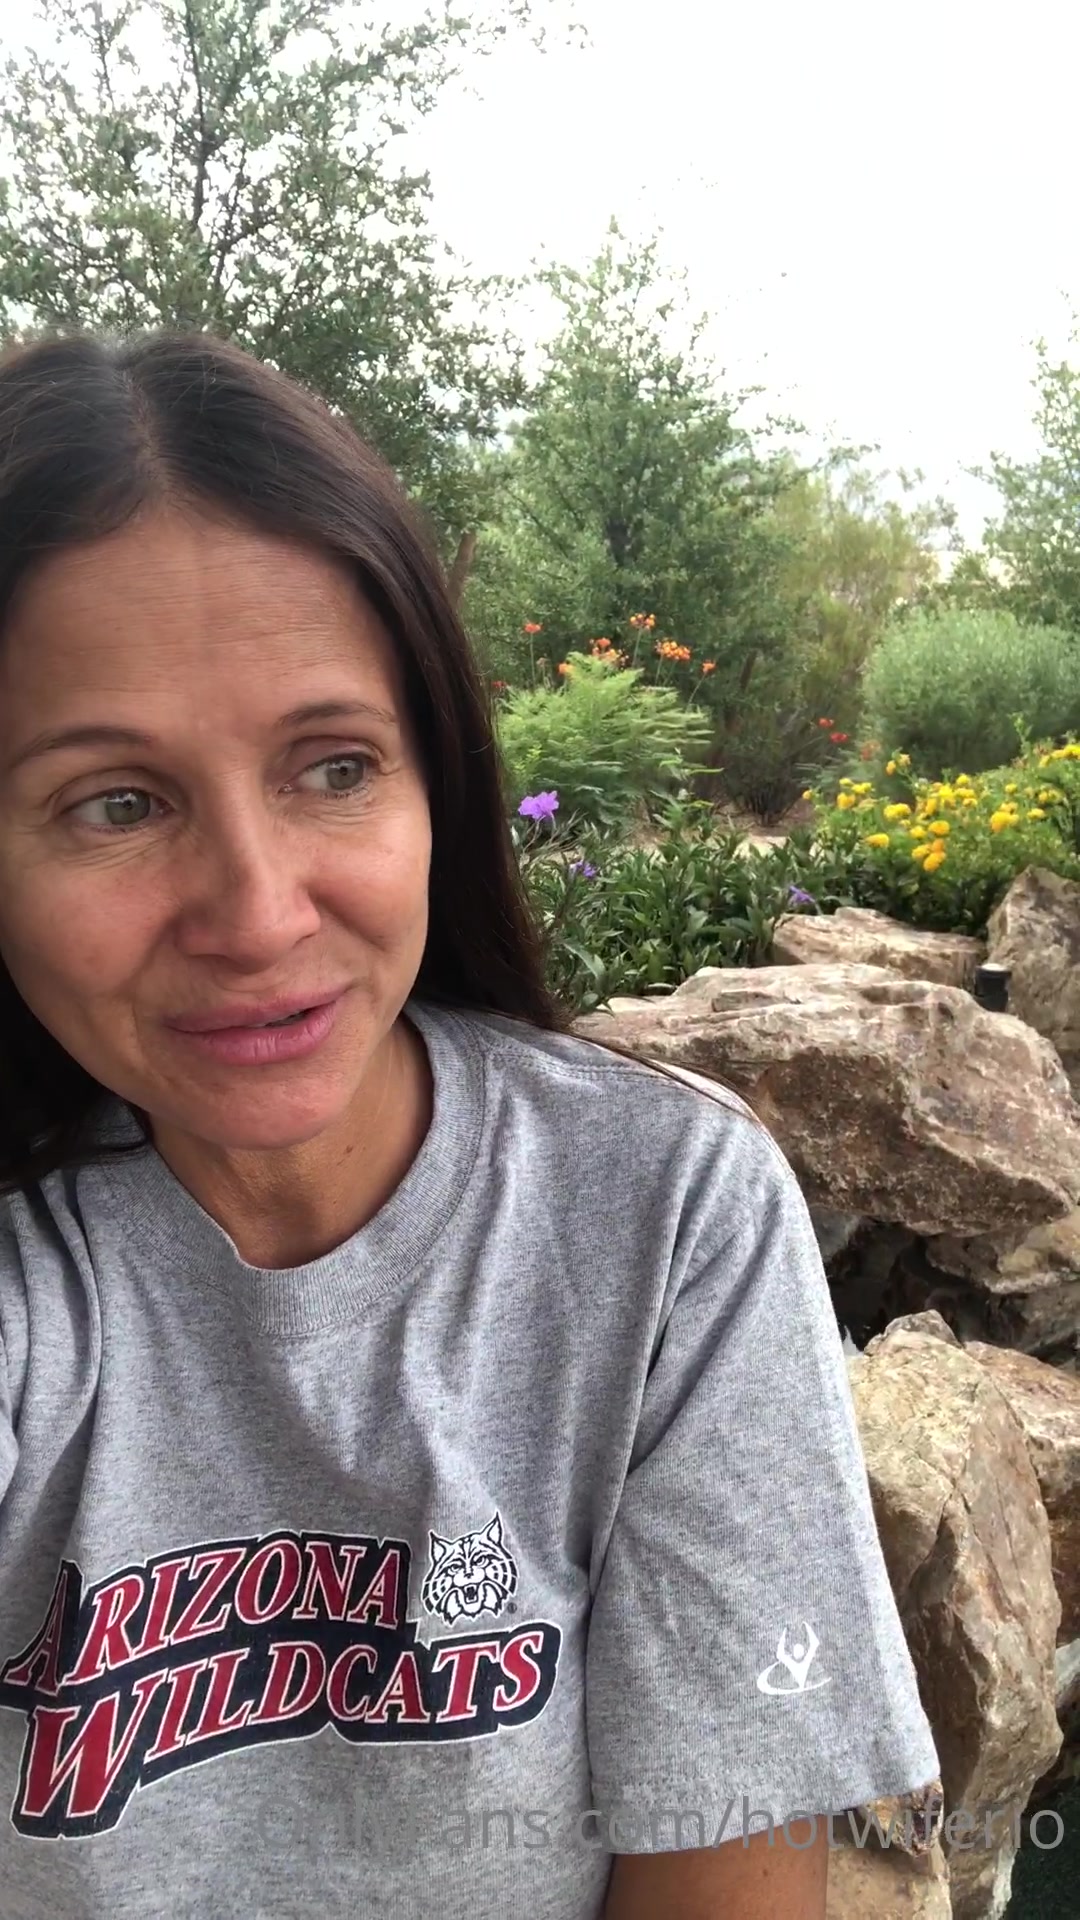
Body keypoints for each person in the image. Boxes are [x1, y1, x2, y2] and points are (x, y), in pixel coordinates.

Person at [0, 331, 939, 1920]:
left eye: (333, 768)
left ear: (435, 777)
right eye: (118, 802)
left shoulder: (661, 1217)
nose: (258, 911)